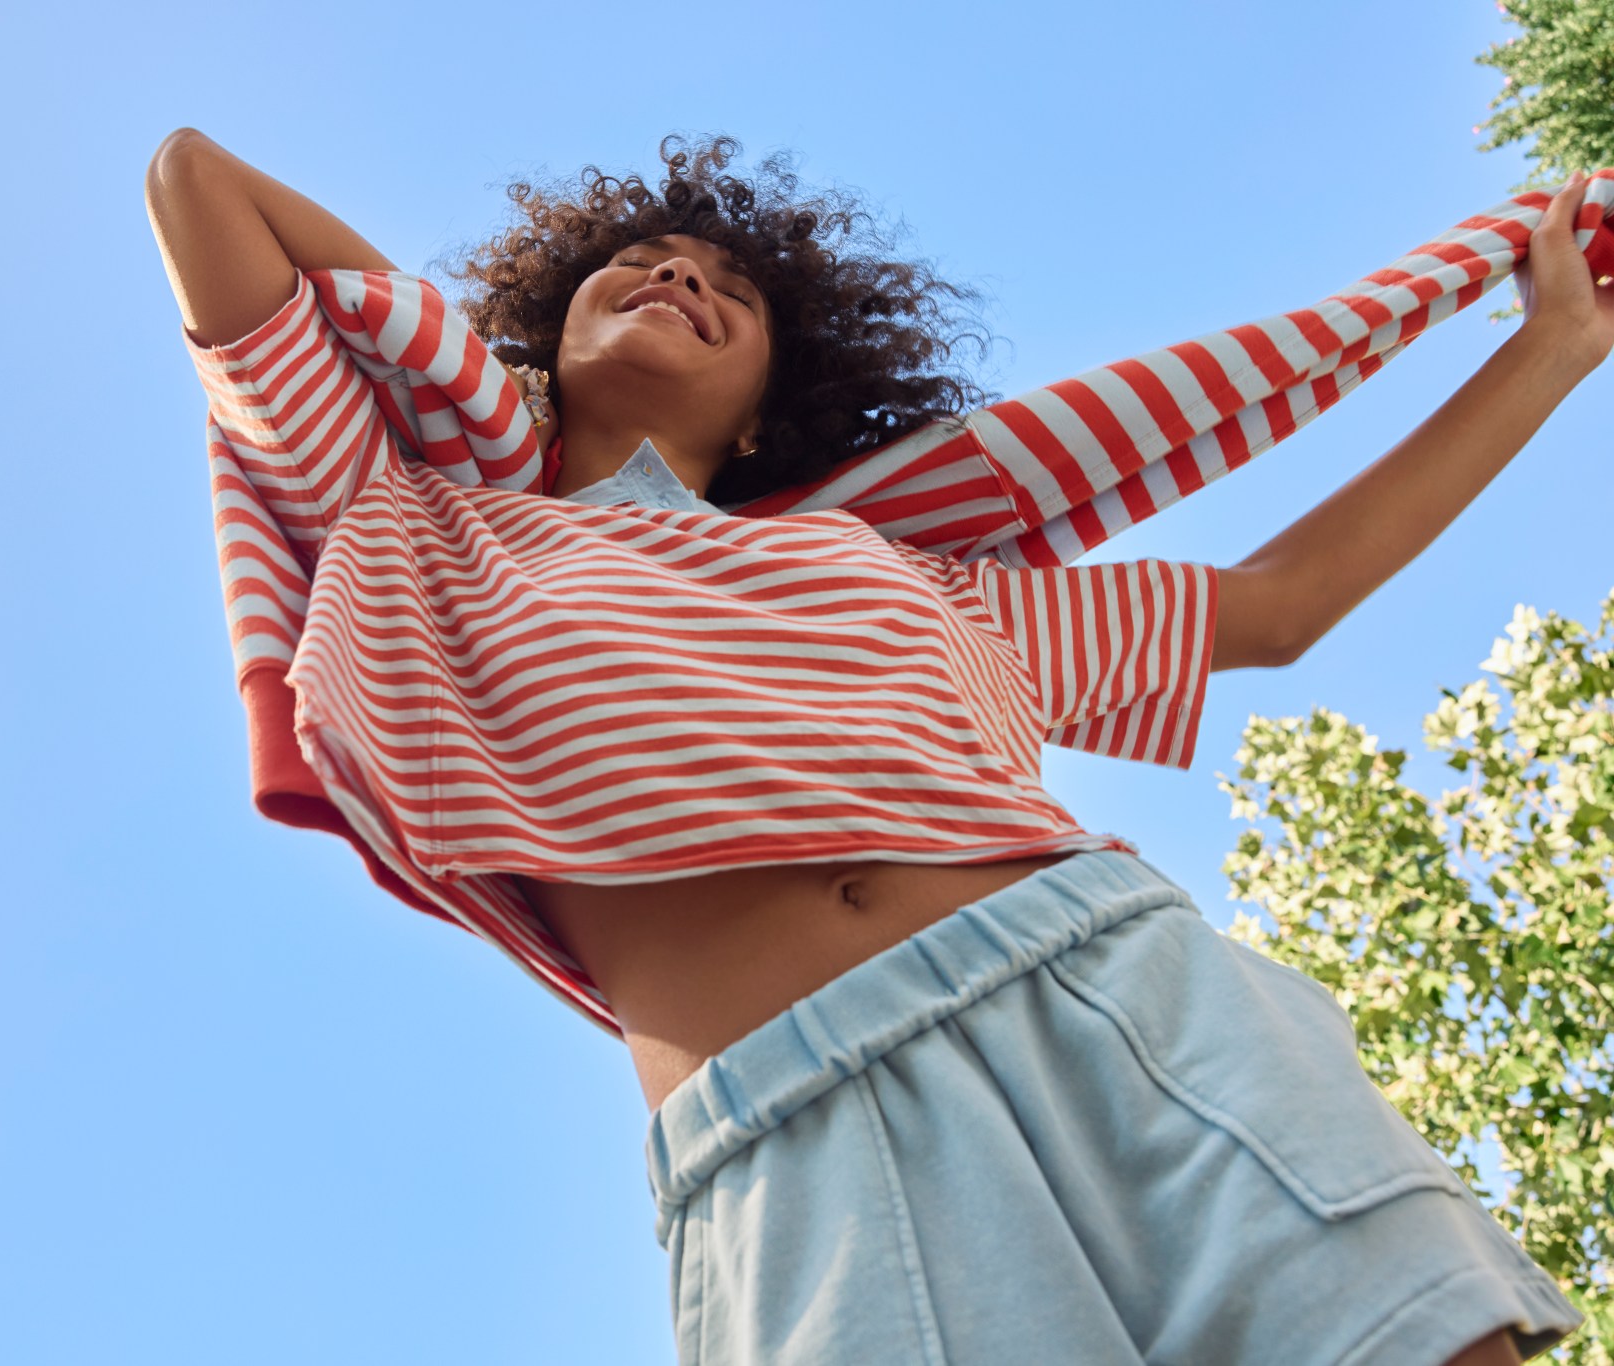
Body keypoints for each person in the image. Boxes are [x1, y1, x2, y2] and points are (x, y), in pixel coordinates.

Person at [145, 128, 1605, 1364]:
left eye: (727, 288)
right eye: (639, 261)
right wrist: (476, 396)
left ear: (776, 403)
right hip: (796, 1118)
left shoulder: (892, 569)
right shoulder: (410, 525)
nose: (677, 276)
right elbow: (197, 185)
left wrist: (1551, 348)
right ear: (543, 329)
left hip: (1109, 985)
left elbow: (1280, 607)